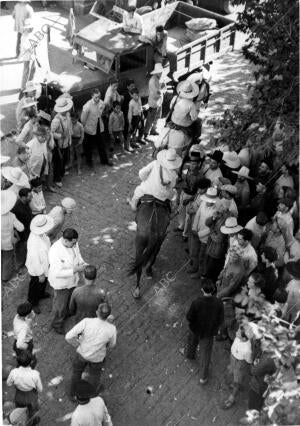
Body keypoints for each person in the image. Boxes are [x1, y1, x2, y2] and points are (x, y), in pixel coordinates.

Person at [65, 302, 117, 397]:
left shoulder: (86, 322)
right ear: (109, 315)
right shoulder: (112, 329)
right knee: (95, 377)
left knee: (77, 373)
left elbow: (68, 336)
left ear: (97, 312)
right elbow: (112, 345)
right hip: (97, 358)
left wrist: (77, 345)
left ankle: (73, 394)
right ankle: (91, 396)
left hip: (82, 354)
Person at [185, 279, 224, 384]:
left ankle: (190, 355)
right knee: (205, 354)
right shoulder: (219, 303)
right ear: (213, 289)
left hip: (195, 329)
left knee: (192, 342)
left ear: (202, 289)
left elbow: (189, 317)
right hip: (208, 333)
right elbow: (220, 319)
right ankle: (203, 377)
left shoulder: (196, 302)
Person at [48, 228, 86, 334]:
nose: (75, 245)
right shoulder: (54, 251)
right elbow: (57, 273)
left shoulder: (73, 243)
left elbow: (78, 255)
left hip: (72, 281)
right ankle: (56, 323)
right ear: (65, 240)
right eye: (73, 243)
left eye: (76, 243)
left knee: (69, 299)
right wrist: (74, 270)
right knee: (60, 305)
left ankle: (67, 312)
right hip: (61, 284)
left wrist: (83, 263)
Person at [25, 214, 53, 314]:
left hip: (45, 264)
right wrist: (40, 273)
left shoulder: (42, 234)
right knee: (34, 285)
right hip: (37, 268)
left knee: (43, 282)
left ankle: (41, 294)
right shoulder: (33, 241)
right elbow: (34, 259)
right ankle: (33, 302)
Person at [7, 351, 43, 426]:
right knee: (32, 412)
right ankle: (32, 422)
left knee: (20, 413)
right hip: (31, 396)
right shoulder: (35, 374)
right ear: (30, 363)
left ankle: (27, 422)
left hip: (19, 396)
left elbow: (9, 383)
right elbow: (40, 389)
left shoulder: (14, 372)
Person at [189, 187, 217, 278]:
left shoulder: (216, 211)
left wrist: (199, 234)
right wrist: (194, 228)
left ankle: (200, 272)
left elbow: (212, 228)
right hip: (196, 232)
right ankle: (194, 267)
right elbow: (197, 215)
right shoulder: (203, 203)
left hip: (205, 238)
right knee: (194, 252)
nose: (209, 202)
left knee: (202, 256)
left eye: (210, 200)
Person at [175, 149, 203, 239]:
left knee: (188, 216)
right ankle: (181, 226)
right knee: (181, 211)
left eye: (194, 164)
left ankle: (185, 234)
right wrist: (180, 194)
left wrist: (190, 199)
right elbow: (184, 182)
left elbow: (199, 192)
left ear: (198, 164)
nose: (191, 165)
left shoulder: (200, 176)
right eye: (191, 163)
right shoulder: (187, 171)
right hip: (184, 193)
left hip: (191, 196)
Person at [223, 325, 252, 409]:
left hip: (240, 363)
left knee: (237, 381)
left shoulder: (247, 349)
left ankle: (232, 398)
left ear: (243, 338)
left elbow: (249, 360)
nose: (236, 332)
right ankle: (234, 383)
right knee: (232, 372)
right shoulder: (238, 337)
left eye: (238, 332)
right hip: (233, 358)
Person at [81, 89, 112, 168]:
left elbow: (101, 112)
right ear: (92, 96)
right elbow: (83, 119)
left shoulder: (101, 103)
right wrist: (85, 128)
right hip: (89, 127)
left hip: (98, 125)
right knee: (89, 146)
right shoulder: (87, 106)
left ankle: (104, 161)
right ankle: (89, 162)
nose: (98, 99)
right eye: (96, 97)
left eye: (99, 97)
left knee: (101, 144)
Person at [204, 199, 231, 281]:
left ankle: (209, 285)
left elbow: (219, 238)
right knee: (208, 264)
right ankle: (206, 280)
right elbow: (207, 223)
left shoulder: (228, 219)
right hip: (211, 246)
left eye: (221, 205)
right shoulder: (219, 214)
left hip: (218, 249)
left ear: (225, 207)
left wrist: (211, 230)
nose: (218, 207)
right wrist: (213, 218)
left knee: (212, 267)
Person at [1, 190, 24, 282]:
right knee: (7, 259)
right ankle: (5, 277)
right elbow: (21, 228)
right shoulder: (11, 216)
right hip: (7, 243)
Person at [51, 97, 73, 187]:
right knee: (58, 162)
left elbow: (69, 126)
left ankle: (62, 172)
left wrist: (70, 136)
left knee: (64, 159)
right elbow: (51, 132)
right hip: (59, 144)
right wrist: (60, 136)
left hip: (66, 142)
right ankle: (57, 178)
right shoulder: (56, 120)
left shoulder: (67, 115)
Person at [11, 187, 33, 271]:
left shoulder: (25, 202)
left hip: (26, 230)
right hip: (21, 233)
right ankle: (18, 266)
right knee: (20, 249)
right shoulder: (17, 208)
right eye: (29, 196)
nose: (31, 198)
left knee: (23, 248)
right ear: (23, 197)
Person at [143, 63, 165, 141]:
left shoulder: (157, 79)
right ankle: (146, 133)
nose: (161, 73)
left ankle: (153, 130)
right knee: (150, 119)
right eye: (160, 72)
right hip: (154, 102)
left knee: (157, 117)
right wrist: (162, 91)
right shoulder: (153, 80)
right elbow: (156, 93)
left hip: (158, 102)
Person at [19, 19, 37, 91]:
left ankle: (30, 84)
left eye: (30, 28)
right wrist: (31, 47)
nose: (29, 29)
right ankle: (23, 87)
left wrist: (36, 44)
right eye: (27, 28)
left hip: (32, 55)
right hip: (27, 56)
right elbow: (25, 47)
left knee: (33, 69)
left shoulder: (30, 35)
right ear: (25, 29)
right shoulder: (24, 37)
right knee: (26, 70)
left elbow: (34, 41)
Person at [70, 111, 84, 175]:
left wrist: (80, 142)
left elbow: (82, 135)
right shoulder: (69, 124)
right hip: (71, 140)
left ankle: (79, 168)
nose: (72, 121)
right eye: (71, 119)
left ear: (77, 119)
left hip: (78, 140)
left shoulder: (80, 125)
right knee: (71, 154)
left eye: (73, 120)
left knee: (78, 155)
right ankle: (71, 166)